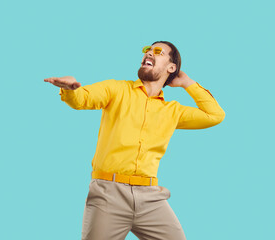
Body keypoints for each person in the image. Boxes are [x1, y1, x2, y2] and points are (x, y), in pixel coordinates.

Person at [44, 41, 225, 240]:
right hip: (108, 194)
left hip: (151, 197)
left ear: (171, 67)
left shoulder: (173, 111)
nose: (149, 53)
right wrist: (70, 89)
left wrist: (187, 82)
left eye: (158, 51)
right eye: (147, 50)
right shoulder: (117, 89)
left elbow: (215, 115)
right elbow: (82, 99)